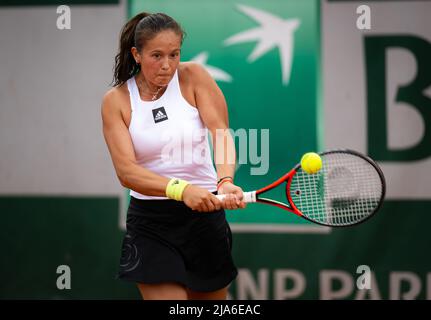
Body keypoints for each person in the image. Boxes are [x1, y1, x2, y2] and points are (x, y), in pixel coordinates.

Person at [101, 12, 246, 300]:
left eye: (174, 54)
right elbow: (126, 172)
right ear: (137, 54)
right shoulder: (116, 101)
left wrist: (226, 180)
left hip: (205, 217)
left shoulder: (194, 77)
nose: (166, 65)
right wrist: (181, 190)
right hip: (152, 223)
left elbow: (221, 132)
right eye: (156, 55)